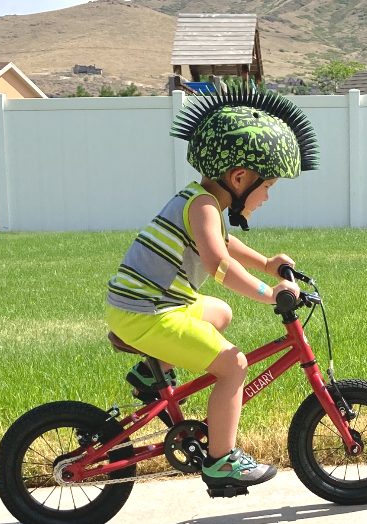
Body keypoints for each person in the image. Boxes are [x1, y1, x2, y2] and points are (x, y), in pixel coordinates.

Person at [105, 85, 319, 495]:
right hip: (146, 312)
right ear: (239, 177)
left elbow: (224, 245)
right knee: (233, 365)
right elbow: (218, 263)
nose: (268, 195)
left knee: (219, 312)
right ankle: (222, 462)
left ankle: (152, 376)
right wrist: (269, 292)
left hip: (150, 304)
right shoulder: (202, 206)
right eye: (268, 185)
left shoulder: (203, 201)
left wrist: (267, 262)